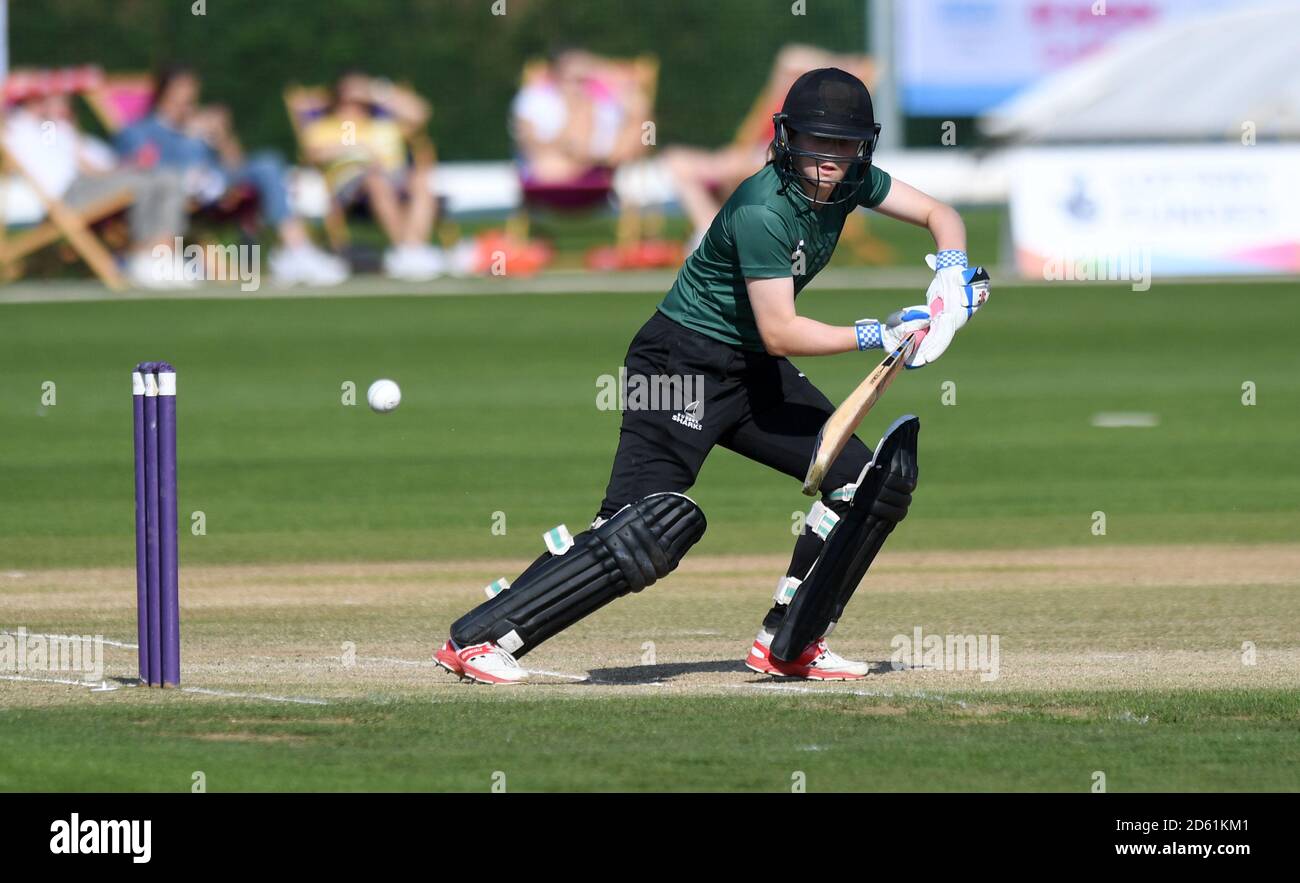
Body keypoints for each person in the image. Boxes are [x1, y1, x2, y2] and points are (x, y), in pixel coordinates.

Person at [433, 68, 992, 684]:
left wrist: (950, 275)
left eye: (845, 143)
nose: (829, 157)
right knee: (640, 530)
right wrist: (880, 334)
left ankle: (790, 640)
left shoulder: (853, 179)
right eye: (816, 140)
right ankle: (479, 639)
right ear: (787, 137)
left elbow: (941, 213)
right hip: (677, 364)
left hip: (751, 369)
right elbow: (782, 329)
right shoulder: (763, 209)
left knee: (865, 485)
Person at [115, 64, 348, 287]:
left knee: (267, 164)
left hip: (217, 182)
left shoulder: (200, 124)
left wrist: (222, 135)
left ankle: (297, 251)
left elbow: (236, 164)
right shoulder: (139, 130)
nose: (187, 100)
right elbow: (141, 172)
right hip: (180, 188)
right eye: (181, 91)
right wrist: (187, 139)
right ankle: (159, 257)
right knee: (177, 179)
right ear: (163, 93)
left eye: (191, 93)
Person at [3, 89, 190, 290]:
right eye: (53, 99)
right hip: (64, 197)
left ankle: (162, 257)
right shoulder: (15, 128)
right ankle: (146, 259)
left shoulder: (56, 128)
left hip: (86, 183)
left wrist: (125, 167)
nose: (64, 104)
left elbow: (91, 165)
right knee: (151, 182)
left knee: (169, 178)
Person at [300, 72, 444, 281]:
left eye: (360, 100)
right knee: (375, 180)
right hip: (352, 185)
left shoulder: (383, 125)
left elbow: (420, 113)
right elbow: (313, 154)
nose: (355, 106)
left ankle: (412, 250)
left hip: (395, 179)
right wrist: (355, 147)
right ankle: (405, 251)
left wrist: (378, 91)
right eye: (349, 99)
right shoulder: (326, 127)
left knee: (421, 179)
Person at [510, 47, 650, 186]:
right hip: (561, 175)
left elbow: (647, 143)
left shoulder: (612, 103)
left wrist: (641, 117)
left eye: (585, 79)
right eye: (575, 79)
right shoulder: (534, 98)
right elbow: (529, 143)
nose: (581, 86)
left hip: (605, 172)